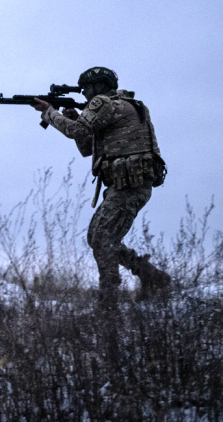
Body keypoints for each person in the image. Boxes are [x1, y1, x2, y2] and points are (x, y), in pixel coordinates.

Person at [30, 67, 170, 306]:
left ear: (98, 87)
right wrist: (75, 118)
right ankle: (152, 277)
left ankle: (109, 303)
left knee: (103, 238)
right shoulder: (122, 104)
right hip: (126, 184)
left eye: (87, 88)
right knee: (98, 237)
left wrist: (49, 112)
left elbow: (75, 131)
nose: (84, 93)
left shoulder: (105, 104)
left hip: (130, 185)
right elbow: (87, 147)